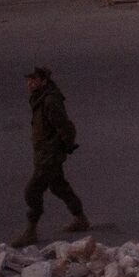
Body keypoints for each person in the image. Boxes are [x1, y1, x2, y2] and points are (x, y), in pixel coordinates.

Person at [12, 66, 89, 247]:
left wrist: (66, 145)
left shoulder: (49, 101)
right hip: (44, 152)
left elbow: (64, 126)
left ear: (43, 81)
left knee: (32, 191)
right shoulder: (40, 98)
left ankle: (31, 230)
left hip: (49, 155)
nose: (30, 83)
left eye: (34, 79)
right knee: (58, 186)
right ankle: (80, 218)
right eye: (28, 80)